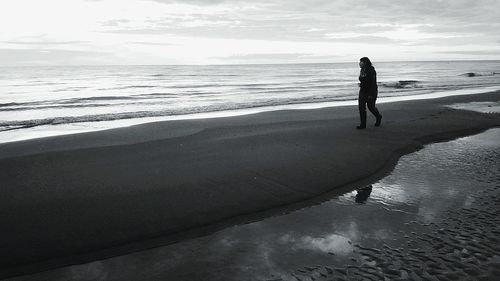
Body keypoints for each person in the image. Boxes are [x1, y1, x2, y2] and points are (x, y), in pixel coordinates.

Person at [357, 57, 382, 129]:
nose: (359, 63)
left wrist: (371, 94)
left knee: (371, 107)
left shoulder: (371, 70)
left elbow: (372, 83)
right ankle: (363, 125)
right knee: (361, 108)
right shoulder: (362, 70)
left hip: (371, 91)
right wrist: (361, 84)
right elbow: (363, 81)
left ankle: (378, 116)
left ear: (365, 62)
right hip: (362, 91)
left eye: (361, 62)